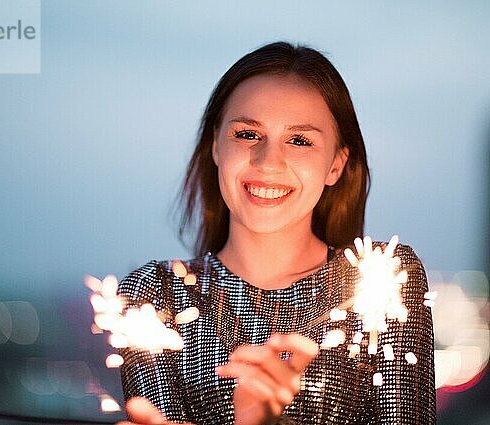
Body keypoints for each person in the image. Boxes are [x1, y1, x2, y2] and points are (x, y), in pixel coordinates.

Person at [116, 42, 435, 424]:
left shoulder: (379, 286)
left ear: (336, 164)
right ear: (216, 145)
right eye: (248, 134)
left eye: (300, 141)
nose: (268, 162)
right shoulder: (154, 297)